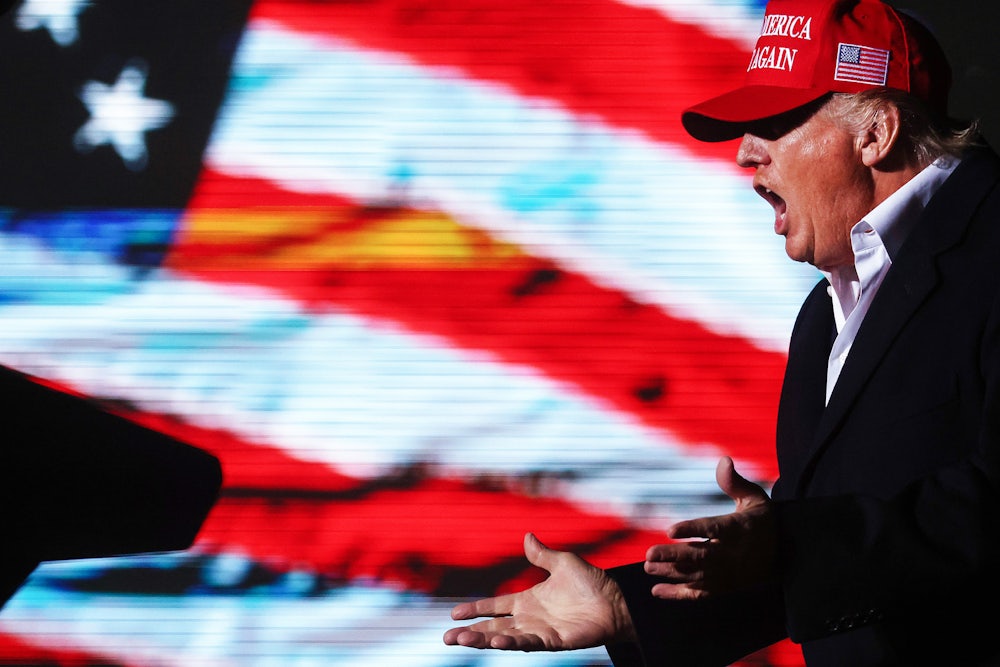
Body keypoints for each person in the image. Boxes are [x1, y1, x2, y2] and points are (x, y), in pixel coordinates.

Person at [443, 0, 1000, 664]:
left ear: (876, 133)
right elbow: (822, 559)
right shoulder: (826, 312)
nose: (744, 153)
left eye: (774, 122)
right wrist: (627, 606)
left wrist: (788, 547)